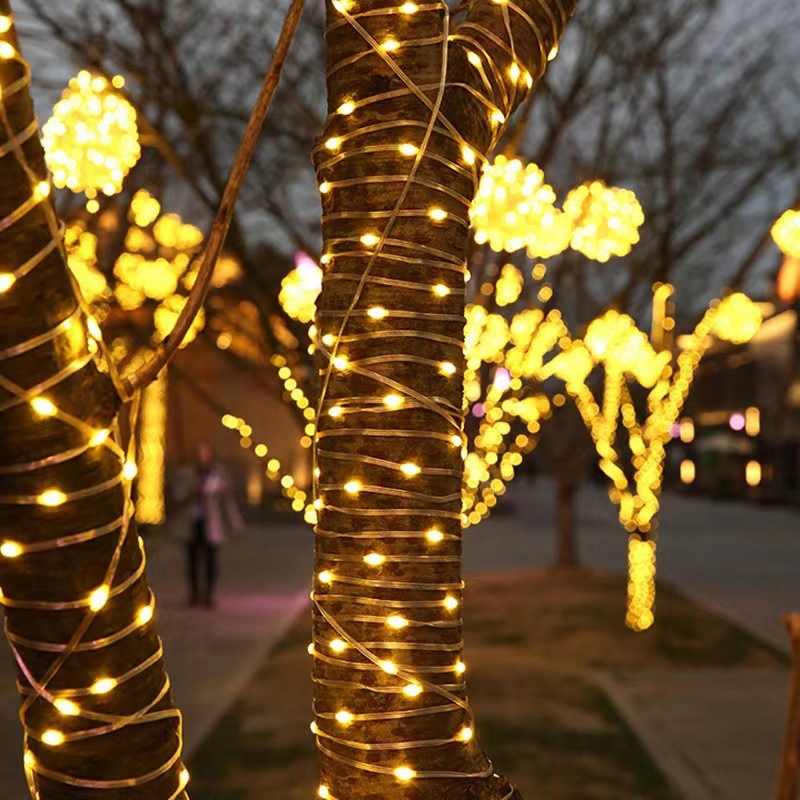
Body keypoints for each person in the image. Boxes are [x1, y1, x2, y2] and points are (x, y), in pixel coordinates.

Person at [188, 443, 243, 608]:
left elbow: (227, 502)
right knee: (192, 559)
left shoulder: (218, 475)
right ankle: (194, 593)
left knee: (211, 560)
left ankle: (209, 594)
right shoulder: (190, 474)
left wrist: (234, 524)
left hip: (211, 523)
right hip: (193, 522)